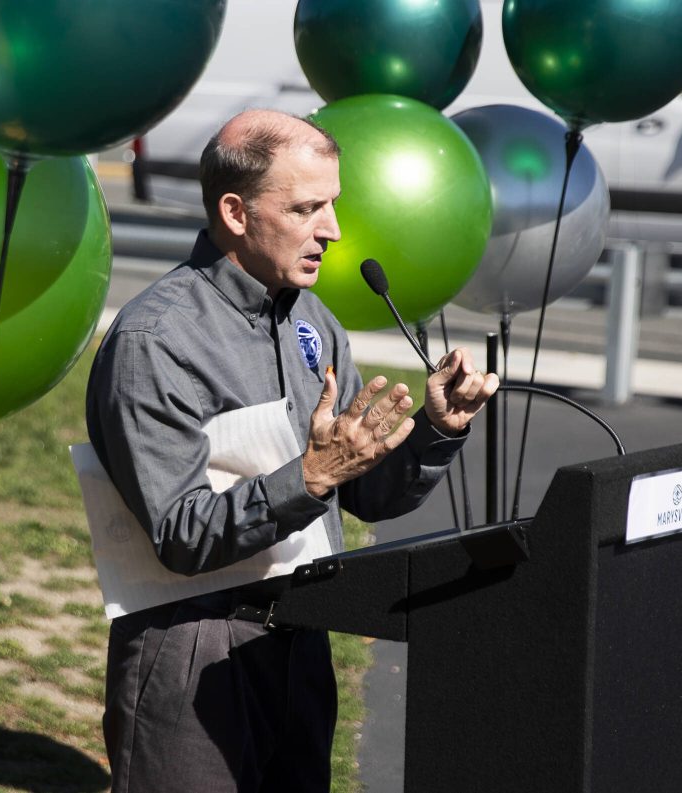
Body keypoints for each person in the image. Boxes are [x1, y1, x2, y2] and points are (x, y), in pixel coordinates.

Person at [85, 108, 498, 793]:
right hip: (193, 645)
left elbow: (365, 493)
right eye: (306, 208)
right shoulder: (156, 341)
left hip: (300, 638)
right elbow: (180, 534)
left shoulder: (313, 320)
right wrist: (308, 477)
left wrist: (435, 429)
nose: (331, 230)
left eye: (332, 204)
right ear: (235, 212)